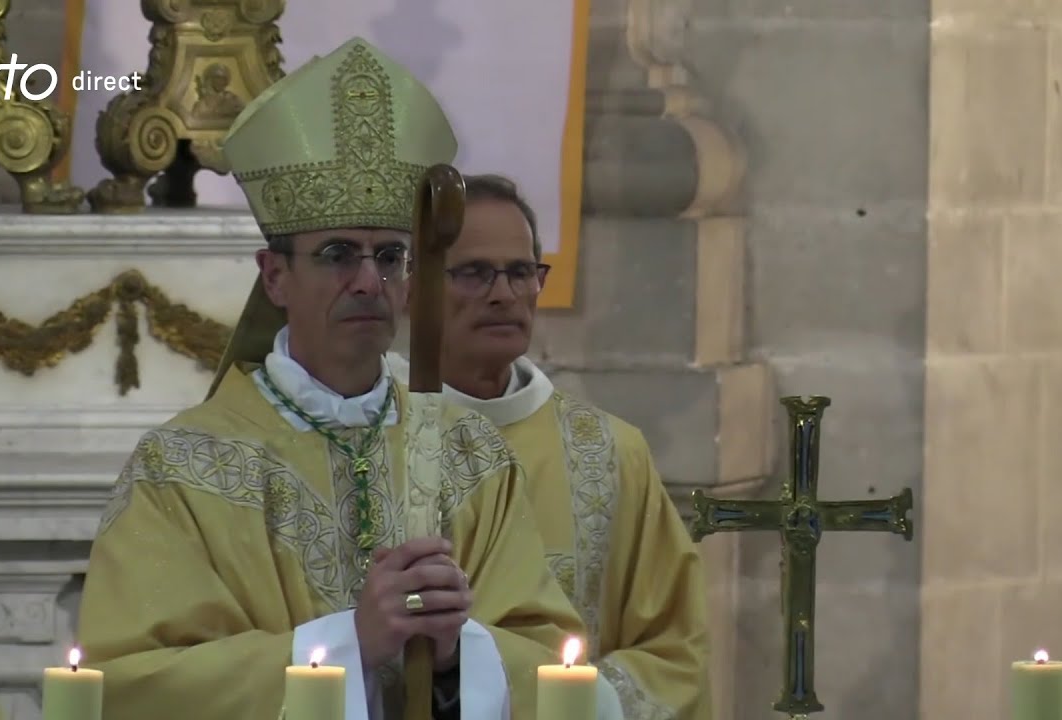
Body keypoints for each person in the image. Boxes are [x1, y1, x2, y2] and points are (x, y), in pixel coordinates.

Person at [77, 40, 597, 720]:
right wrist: (351, 642)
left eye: (390, 256)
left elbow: (550, 658)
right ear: (275, 276)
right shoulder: (181, 469)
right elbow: (129, 684)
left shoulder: (470, 455)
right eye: (337, 254)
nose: (368, 281)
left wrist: (457, 654)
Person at [388, 174, 712, 719]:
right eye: (474, 273)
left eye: (520, 272)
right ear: (410, 288)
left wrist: (569, 700)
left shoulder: (611, 454)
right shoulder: (368, 437)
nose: (504, 294)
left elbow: (676, 653)